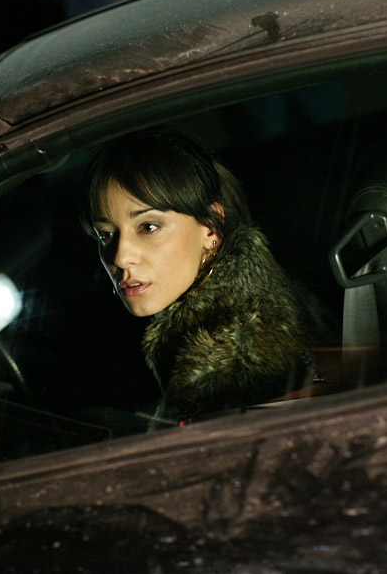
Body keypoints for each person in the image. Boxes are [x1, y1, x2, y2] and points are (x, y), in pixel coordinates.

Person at [83, 128, 324, 427]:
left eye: (148, 227)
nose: (120, 257)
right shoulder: (261, 300)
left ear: (211, 229)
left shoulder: (236, 364)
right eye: (105, 235)